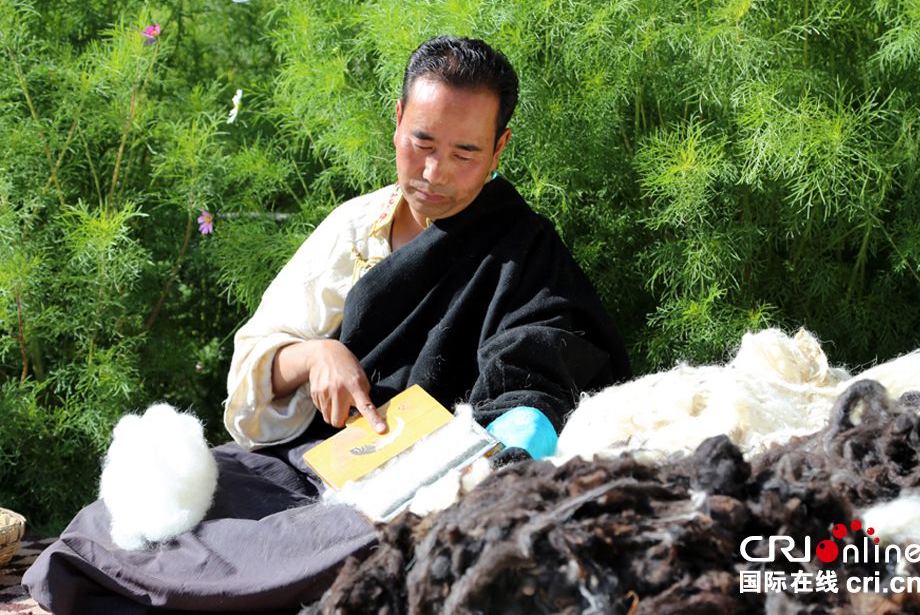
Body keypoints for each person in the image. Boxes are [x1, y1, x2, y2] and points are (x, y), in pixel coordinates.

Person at [24, 35, 631, 614]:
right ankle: (223, 580)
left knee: (373, 538)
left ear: (498, 149)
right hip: (311, 462)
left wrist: (489, 458)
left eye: (465, 152)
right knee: (120, 518)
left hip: (418, 482)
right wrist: (315, 355)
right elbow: (255, 366)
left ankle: (206, 585)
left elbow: (537, 368)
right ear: (397, 119)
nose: (436, 171)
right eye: (421, 141)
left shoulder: (524, 252)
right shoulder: (354, 228)